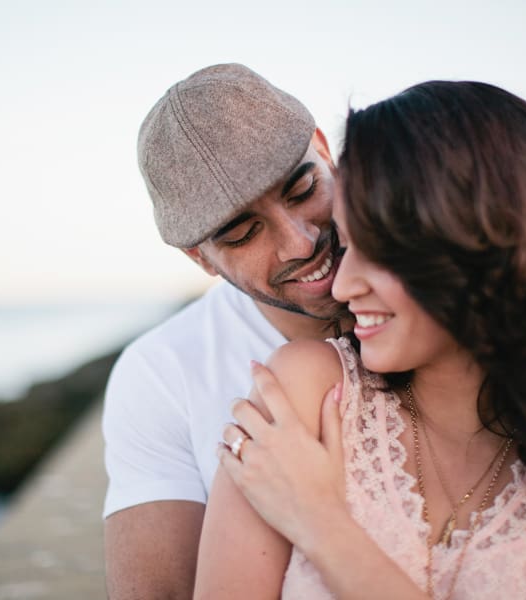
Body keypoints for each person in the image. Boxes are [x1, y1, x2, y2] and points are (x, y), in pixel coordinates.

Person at [197, 81, 526, 599]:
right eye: (346, 246)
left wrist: (322, 524)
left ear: (479, 239)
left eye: (378, 250)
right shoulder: (307, 392)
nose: (345, 286)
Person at [101, 63, 350, 599]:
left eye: (303, 188)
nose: (300, 243)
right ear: (201, 258)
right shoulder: (161, 373)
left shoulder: (453, 292)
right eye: (242, 233)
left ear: (324, 148)